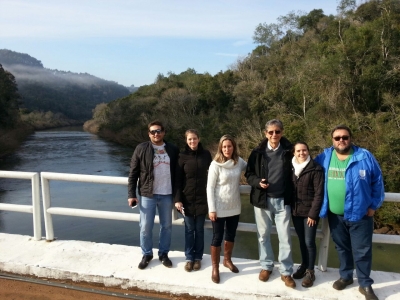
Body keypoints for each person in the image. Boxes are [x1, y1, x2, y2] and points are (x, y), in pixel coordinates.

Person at [315, 125, 384, 300]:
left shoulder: (364, 156)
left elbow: (377, 181)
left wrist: (374, 205)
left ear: (350, 138)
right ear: (332, 140)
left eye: (344, 137)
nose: (341, 140)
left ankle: (365, 283)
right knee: (342, 248)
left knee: (362, 250)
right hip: (334, 215)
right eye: (337, 138)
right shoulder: (324, 157)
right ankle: (346, 276)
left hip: (360, 214)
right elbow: (306, 169)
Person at [245, 119, 296, 288]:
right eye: (271, 132)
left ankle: (286, 271)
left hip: (283, 200)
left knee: (285, 238)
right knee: (263, 236)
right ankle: (266, 266)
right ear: (265, 133)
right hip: (262, 200)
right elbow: (249, 174)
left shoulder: (290, 150)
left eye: (278, 131)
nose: (274, 135)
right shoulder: (257, 152)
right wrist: (258, 182)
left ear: (282, 132)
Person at [128, 120, 179, 270]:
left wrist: (178, 196)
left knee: (167, 226)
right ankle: (147, 254)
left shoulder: (173, 149)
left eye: (158, 131)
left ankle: (163, 254)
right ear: (149, 134)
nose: (156, 134)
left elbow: (177, 174)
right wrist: (131, 194)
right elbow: (133, 173)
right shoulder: (141, 148)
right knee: (145, 226)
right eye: (153, 131)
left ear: (164, 132)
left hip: (167, 193)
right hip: (147, 194)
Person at [206, 134, 247, 284]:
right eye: (224, 146)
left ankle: (227, 260)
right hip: (218, 207)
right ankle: (215, 268)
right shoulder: (215, 164)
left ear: (233, 147)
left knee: (231, 235)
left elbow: (252, 168)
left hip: (234, 206)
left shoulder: (239, 162)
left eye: (229, 146)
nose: (227, 149)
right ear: (220, 148)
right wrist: (212, 209)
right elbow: (210, 187)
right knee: (217, 237)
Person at [174, 129, 212, 272]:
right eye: (189, 139)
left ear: (199, 139)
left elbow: (213, 174)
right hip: (187, 198)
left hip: (203, 198)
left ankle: (198, 258)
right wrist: (177, 199)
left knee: (199, 230)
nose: (192, 141)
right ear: (186, 141)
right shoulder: (182, 156)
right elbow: (177, 180)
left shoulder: (206, 155)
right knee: (189, 230)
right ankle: (189, 258)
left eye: (194, 139)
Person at [290, 142, 324, 288]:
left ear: (308, 151)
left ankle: (310, 272)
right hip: (296, 212)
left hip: (310, 213)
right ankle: (303, 265)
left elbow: (319, 194)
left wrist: (313, 214)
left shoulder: (316, 169)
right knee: (302, 241)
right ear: (294, 153)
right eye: (298, 151)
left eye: (304, 150)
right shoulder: (291, 167)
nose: (301, 153)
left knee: (310, 242)